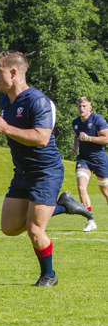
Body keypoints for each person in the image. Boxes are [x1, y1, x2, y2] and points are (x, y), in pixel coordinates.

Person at [0, 51, 91, 287]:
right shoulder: (6, 101)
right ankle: (62, 205)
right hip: (22, 172)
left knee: (34, 229)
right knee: (9, 227)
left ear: (13, 73)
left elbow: (42, 138)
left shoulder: (38, 101)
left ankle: (49, 276)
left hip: (46, 171)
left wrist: (5, 129)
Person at [71, 96, 108, 232]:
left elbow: (106, 138)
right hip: (84, 159)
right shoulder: (75, 122)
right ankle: (90, 220)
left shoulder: (98, 119)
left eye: (84, 106)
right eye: (80, 106)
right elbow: (77, 136)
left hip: (99, 159)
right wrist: (75, 147)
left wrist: (88, 138)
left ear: (90, 107)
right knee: (81, 188)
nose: (81, 108)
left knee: (105, 191)